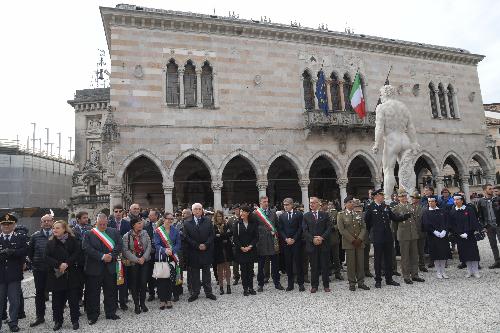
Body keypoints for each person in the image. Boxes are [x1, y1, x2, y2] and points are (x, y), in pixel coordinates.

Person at [364, 189, 410, 288]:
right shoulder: (370, 207)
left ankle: (389, 279)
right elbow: (367, 222)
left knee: (389, 258)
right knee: (378, 259)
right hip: (377, 237)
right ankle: (378, 280)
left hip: (388, 236)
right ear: (376, 196)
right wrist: (371, 234)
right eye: (381, 195)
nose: (383, 197)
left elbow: (393, 217)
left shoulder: (385, 206)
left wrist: (404, 217)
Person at [82, 213, 122, 325]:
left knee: (111, 291)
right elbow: (86, 248)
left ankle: (110, 312)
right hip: (94, 268)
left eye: (105, 224)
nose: (103, 226)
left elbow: (119, 245)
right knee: (93, 293)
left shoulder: (114, 231)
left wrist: (111, 255)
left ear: (107, 222)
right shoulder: (89, 233)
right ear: (96, 222)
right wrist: (102, 256)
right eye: (101, 224)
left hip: (110, 267)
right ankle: (93, 315)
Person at [45, 220, 82, 331]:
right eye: (53, 228)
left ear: (64, 229)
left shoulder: (73, 240)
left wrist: (67, 263)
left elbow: (77, 253)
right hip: (57, 275)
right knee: (57, 301)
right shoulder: (50, 242)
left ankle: (75, 320)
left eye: (57, 228)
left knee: (73, 300)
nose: (54, 230)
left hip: (71, 274)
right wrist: (58, 264)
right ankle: (58, 321)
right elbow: (46, 257)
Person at [183, 203, 217, 302]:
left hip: (206, 251)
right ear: (192, 211)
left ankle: (208, 292)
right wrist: (197, 245)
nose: (198, 211)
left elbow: (212, 235)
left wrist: (205, 244)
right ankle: (195, 292)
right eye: (196, 209)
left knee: (207, 273)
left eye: (199, 209)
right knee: (195, 274)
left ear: (202, 210)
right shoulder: (187, 223)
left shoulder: (208, 221)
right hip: (194, 252)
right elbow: (186, 237)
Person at [0, 213, 28, 332]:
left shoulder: (20, 237)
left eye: (9, 224)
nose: (6, 226)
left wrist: (13, 252)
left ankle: (13, 322)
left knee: (14, 300)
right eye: (4, 224)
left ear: (14, 225)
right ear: (1, 225)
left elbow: (25, 250)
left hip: (14, 275)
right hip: (0, 275)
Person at [392, 189, 425, 284]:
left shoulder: (411, 207)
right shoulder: (396, 208)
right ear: (398, 198)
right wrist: (395, 235)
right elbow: (394, 224)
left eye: (405, 196)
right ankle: (406, 276)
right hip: (403, 235)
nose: (404, 198)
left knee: (414, 256)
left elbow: (414, 220)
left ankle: (415, 274)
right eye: (402, 196)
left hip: (413, 234)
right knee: (405, 257)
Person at [337, 197, 370, 291]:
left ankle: (361, 282)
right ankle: (352, 283)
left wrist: (360, 238)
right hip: (349, 243)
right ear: (345, 204)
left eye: (352, 202)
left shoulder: (359, 214)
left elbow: (364, 227)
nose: (352, 204)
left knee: (360, 263)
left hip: (359, 242)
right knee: (351, 264)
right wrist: (352, 240)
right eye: (349, 202)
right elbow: (342, 230)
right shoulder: (341, 215)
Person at [27, 213, 54, 328]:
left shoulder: (58, 234)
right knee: (40, 294)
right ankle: (40, 316)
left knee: (58, 292)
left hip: (54, 270)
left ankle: (58, 317)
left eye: (49, 221)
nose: (47, 223)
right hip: (39, 270)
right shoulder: (35, 236)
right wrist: (36, 263)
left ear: (52, 222)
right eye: (44, 221)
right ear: (41, 223)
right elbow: (30, 253)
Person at [253, 196, 284, 292]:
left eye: (267, 201)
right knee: (261, 265)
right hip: (261, 242)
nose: (266, 203)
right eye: (264, 202)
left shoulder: (273, 212)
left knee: (275, 264)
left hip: (273, 242)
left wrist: (276, 234)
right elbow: (254, 228)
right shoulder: (255, 214)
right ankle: (260, 284)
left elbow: (277, 226)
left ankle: (277, 282)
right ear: (260, 203)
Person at [448, 193, 482, 278]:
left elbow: (473, 222)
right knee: (464, 253)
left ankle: (476, 271)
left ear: (462, 200)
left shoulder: (469, 209)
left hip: (469, 235)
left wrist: (467, 233)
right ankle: (469, 271)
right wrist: (459, 233)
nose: (456, 201)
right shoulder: (452, 211)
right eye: (454, 200)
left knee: (473, 253)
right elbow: (452, 225)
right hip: (459, 236)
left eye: (458, 199)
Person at [122, 218, 151, 314]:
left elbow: (149, 246)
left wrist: (144, 258)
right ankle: (136, 304)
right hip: (133, 262)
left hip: (144, 261)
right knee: (134, 284)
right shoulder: (127, 236)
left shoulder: (145, 233)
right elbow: (125, 251)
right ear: (133, 225)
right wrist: (136, 259)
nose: (141, 225)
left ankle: (143, 303)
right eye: (139, 223)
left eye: (141, 223)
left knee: (143, 283)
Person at [303, 197, 332, 293]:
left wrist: (321, 238)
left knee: (325, 266)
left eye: (313, 203)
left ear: (319, 204)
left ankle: (326, 285)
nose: (311, 204)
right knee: (314, 266)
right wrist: (313, 239)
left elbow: (329, 228)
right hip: (312, 245)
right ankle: (314, 285)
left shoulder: (325, 215)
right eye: (310, 203)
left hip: (324, 244)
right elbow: (305, 230)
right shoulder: (306, 216)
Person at [154, 212, 181, 310]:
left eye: (171, 219)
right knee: (161, 279)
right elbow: (156, 245)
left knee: (170, 279)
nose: (170, 221)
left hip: (172, 257)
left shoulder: (175, 230)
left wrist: (172, 251)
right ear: (164, 219)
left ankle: (168, 299)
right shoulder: (158, 231)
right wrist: (165, 250)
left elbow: (178, 244)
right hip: (161, 257)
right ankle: (162, 299)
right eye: (168, 218)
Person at [277, 198, 305, 292]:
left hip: (296, 243)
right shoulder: (282, 216)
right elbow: (280, 229)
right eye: (284, 205)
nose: (285, 206)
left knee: (298, 263)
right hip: (286, 243)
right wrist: (286, 239)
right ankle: (290, 284)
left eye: (287, 205)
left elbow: (300, 228)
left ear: (292, 205)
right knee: (288, 264)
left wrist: (294, 239)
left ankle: (301, 283)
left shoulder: (299, 214)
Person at [421, 196, 451, 279]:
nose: (430, 203)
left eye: (432, 201)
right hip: (433, 236)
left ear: (436, 202)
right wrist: (434, 231)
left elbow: (446, 221)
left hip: (443, 235)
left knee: (443, 254)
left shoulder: (442, 211)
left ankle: (443, 271)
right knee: (436, 254)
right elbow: (426, 224)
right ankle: (438, 271)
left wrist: (445, 230)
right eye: (429, 201)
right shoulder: (426, 212)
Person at [109, 204, 132, 310]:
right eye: (116, 211)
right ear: (113, 212)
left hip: (124, 255)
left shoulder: (127, 224)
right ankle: (113, 302)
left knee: (124, 278)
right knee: (113, 280)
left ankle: (123, 301)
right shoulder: (109, 224)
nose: (118, 213)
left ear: (123, 212)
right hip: (113, 255)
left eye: (120, 211)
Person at [232, 206, 258, 296]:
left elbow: (256, 237)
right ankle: (245, 288)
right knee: (243, 270)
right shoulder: (237, 224)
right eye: (241, 211)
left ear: (248, 213)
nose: (241, 213)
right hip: (241, 251)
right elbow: (235, 238)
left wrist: (250, 246)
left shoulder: (253, 224)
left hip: (251, 250)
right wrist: (241, 247)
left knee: (250, 270)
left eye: (243, 211)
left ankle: (251, 288)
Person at [476, 184, 500, 269]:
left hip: (498, 224)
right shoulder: (481, 201)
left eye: (493, 189)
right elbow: (480, 215)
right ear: (484, 190)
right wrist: (483, 226)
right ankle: (497, 261)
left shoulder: (497, 199)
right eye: (490, 189)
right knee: (493, 244)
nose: (492, 190)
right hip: (489, 226)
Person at [71, 211, 91, 308]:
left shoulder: (91, 229)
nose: (86, 219)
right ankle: (79, 299)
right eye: (84, 218)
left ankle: (87, 301)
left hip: (89, 260)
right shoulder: (72, 231)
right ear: (78, 219)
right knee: (78, 283)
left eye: (87, 217)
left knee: (89, 282)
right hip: (78, 261)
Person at [213, 210, 233, 295]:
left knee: (227, 268)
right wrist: (224, 236)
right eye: (218, 216)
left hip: (226, 249)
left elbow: (230, 234)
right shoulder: (213, 226)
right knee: (219, 269)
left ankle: (228, 285)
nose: (219, 218)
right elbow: (214, 237)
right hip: (218, 250)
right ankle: (221, 287)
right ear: (215, 217)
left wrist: (220, 235)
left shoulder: (227, 225)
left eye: (221, 216)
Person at [410, 192, 428, 272]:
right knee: (412, 251)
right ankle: (413, 266)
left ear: (418, 199)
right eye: (413, 198)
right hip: (411, 233)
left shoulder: (424, 208)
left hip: (421, 232)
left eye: (415, 198)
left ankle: (422, 265)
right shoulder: (408, 207)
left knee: (421, 251)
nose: (414, 199)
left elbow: (425, 221)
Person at [144, 210, 159, 301]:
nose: (149, 216)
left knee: (162, 272)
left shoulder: (162, 225)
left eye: (150, 215)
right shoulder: (146, 227)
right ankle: (151, 293)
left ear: (156, 216)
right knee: (150, 274)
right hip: (151, 253)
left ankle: (161, 292)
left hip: (161, 253)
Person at [227, 205, 241, 285]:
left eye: (238, 209)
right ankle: (236, 277)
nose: (237, 211)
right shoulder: (231, 219)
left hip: (244, 242)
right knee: (235, 261)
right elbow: (228, 230)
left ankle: (247, 275)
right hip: (235, 243)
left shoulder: (244, 218)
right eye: (235, 209)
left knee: (245, 260)